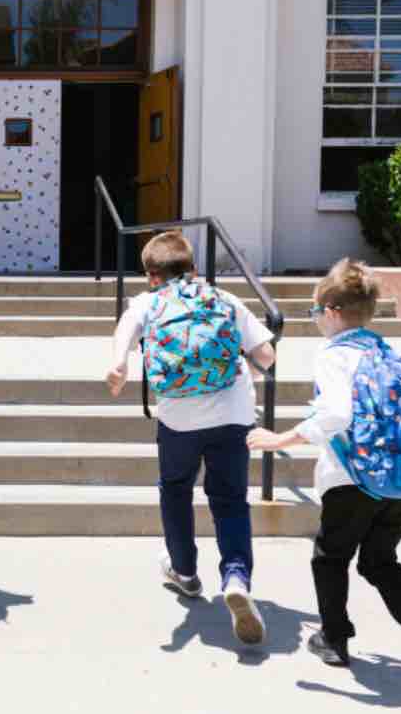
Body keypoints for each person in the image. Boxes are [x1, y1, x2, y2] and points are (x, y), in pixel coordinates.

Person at [248, 259, 401, 683]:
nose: (315, 322)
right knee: (380, 561)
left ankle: (333, 638)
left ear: (330, 312)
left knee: (330, 557)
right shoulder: (384, 352)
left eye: (314, 313)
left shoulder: (334, 354)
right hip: (399, 481)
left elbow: (335, 414)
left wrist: (280, 440)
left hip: (351, 480)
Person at [107, 231, 276, 646]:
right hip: (234, 414)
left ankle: (184, 572)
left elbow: (124, 335)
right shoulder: (223, 299)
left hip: (178, 419)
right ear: (194, 269)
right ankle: (236, 577)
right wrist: (240, 379)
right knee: (230, 499)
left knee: (176, 490)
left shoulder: (148, 302)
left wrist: (118, 367)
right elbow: (267, 356)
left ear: (151, 276)